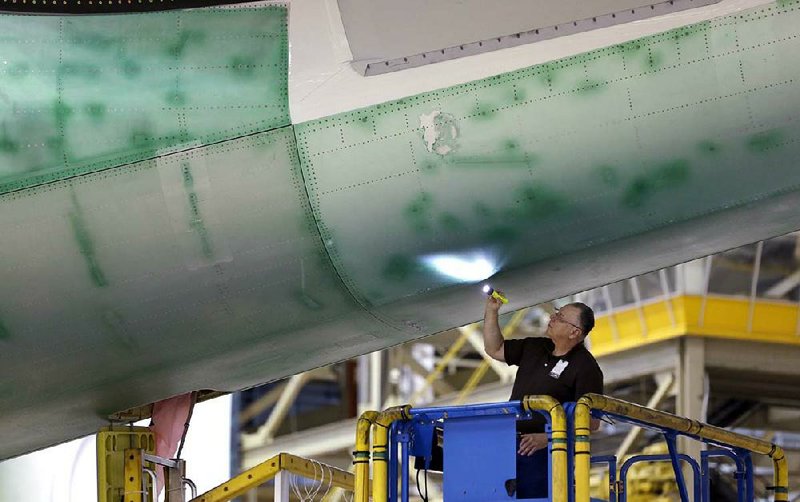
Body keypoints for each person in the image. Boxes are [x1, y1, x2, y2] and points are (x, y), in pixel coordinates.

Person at [483, 294, 603, 499]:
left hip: (545, 454)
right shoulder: (536, 347)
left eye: (560, 317)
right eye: (556, 313)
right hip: (507, 444)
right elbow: (495, 349)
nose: (552, 318)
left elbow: (591, 422)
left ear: (574, 332)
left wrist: (548, 438)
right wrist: (492, 312)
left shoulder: (586, 368)